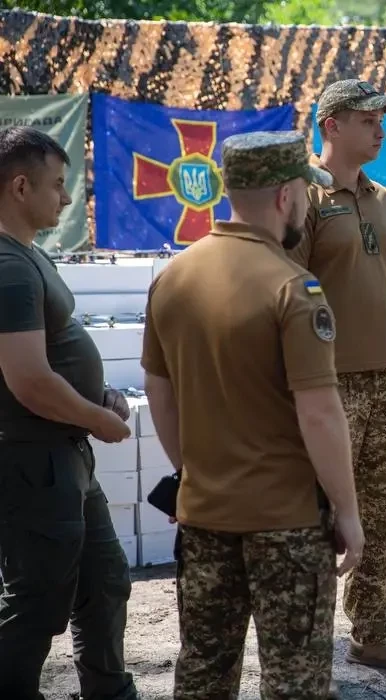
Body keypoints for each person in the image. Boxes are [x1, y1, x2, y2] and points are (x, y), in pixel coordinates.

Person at [139, 131, 366, 700]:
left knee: (203, 675)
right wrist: (347, 510)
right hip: (286, 524)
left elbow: (159, 393)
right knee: (295, 683)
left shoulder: (172, 279)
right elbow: (320, 413)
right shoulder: (293, 288)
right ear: (287, 195)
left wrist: (192, 472)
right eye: (304, 195)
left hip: (203, 516)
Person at [288, 77, 386, 677]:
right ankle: (303, 650)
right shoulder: (303, 196)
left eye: (383, 120)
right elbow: (287, 292)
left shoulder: (383, 198)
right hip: (327, 385)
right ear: (332, 125)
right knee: (317, 518)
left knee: (383, 518)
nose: (381, 131)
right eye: (369, 120)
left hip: (384, 382)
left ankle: (372, 633)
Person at [0, 126, 139, 700]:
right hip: (35, 460)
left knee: (104, 581)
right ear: (20, 186)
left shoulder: (29, 255)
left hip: (66, 455)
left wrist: (97, 396)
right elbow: (29, 380)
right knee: (38, 600)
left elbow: (54, 356)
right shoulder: (8, 266)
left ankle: (109, 692)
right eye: (56, 185)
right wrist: (95, 417)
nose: (64, 197)